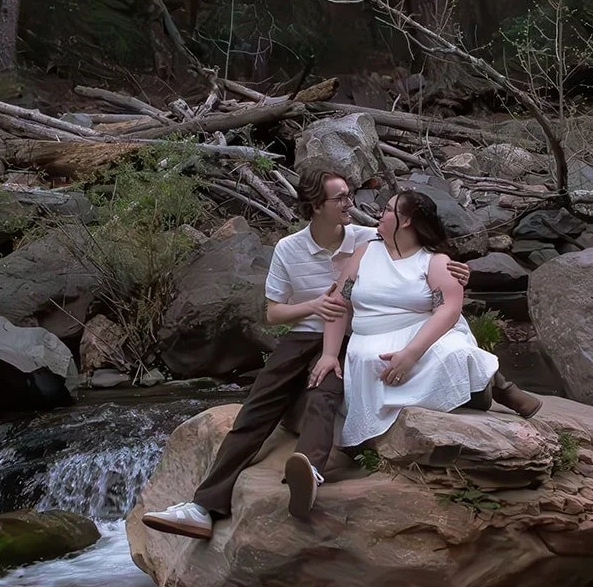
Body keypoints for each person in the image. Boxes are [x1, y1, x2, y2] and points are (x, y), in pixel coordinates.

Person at [139, 168, 473, 540]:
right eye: (341, 198)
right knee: (258, 407)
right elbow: (272, 313)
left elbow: (421, 257)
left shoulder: (369, 238)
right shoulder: (289, 248)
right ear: (316, 207)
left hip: (352, 338)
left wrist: (456, 271)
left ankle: (309, 472)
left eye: (350, 195)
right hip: (303, 335)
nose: (352, 204)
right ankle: (203, 507)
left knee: (324, 392)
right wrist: (314, 306)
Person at [310, 190, 539, 466]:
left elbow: (449, 310)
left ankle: (491, 386)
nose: (380, 213)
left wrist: (411, 354)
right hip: (370, 340)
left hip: (422, 334)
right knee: (376, 363)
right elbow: (338, 304)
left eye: (389, 209)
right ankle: (478, 391)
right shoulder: (365, 251)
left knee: (454, 351)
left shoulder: (435, 260)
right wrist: (329, 354)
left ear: (406, 221)